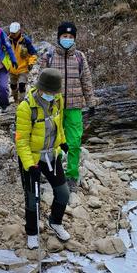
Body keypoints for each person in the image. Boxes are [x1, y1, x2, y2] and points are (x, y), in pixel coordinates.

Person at [15, 68, 71, 248]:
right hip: (32, 158)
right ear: (40, 88)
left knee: (63, 193)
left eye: (54, 93)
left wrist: (62, 142)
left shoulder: (58, 101)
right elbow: (21, 141)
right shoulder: (26, 108)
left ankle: (55, 221)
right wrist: (30, 166)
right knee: (33, 198)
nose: (51, 96)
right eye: (48, 92)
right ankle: (31, 231)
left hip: (52, 155)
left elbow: (57, 125)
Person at [42, 21, 96, 192]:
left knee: (73, 142)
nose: (67, 39)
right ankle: (51, 172)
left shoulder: (80, 57)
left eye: (70, 37)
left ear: (74, 38)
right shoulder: (49, 55)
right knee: (50, 141)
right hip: (54, 106)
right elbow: (41, 82)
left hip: (74, 107)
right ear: (59, 37)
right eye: (64, 36)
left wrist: (91, 102)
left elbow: (86, 81)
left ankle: (71, 175)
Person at [8, 22, 37, 104]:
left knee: (21, 86)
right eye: (11, 33)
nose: (13, 34)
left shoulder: (26, 41)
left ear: (19, 31)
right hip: (12, 69)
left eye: (15, 33)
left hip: (23, 68)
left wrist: (31, 63)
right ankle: (15, 99)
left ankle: (22, 102)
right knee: (13, 86)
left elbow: (33, 54)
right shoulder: (7, 41)